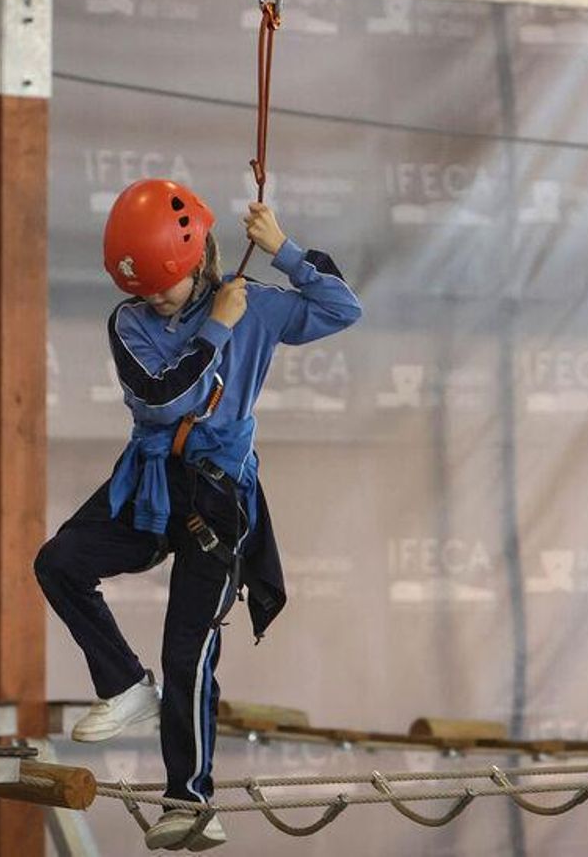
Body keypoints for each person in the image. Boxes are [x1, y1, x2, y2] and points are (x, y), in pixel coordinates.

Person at [34, 178, 362, 851]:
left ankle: (190, 799)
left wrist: (285, 249)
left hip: (218, 495)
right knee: (60, 561)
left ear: (199, 260)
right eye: (143, 290)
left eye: (166, 286)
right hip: (154, 482)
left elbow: (342, 308)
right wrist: (217, 328)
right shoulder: (131, 321)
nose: (154, 300)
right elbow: (159, 400)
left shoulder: (256, 306)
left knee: (189, 651)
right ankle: (124, 684)